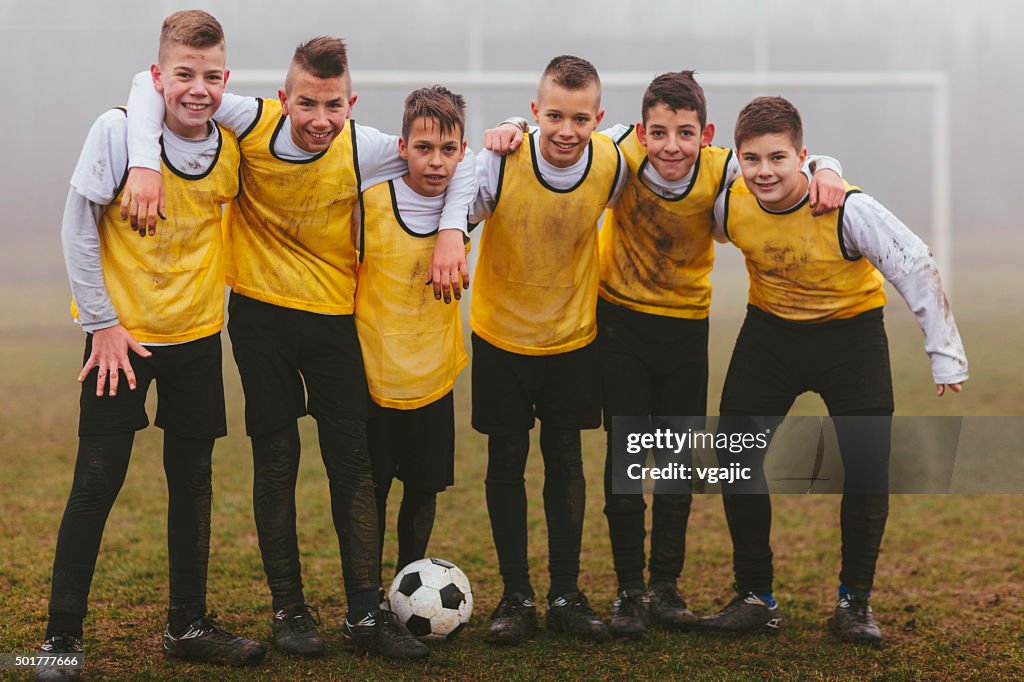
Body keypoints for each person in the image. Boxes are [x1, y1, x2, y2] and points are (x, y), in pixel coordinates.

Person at [122, 36, 477, 661]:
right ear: (284, 97)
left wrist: (451, 232)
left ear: (350, 102)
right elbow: (146, 88)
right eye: (307, 104)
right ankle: (290, 611)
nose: (319, 120)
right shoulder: (252, 121)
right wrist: (145, 163)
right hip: (259, 320)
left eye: (333, 106)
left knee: (353, 469)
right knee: (277, 462)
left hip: (335, 324)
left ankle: (364, 616)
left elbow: (463, 166)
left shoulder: (363, 147)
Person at [487, 70, 847, 638]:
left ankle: (665, 588)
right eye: (659, 132)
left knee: (677, 461)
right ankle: (630, 590)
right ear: (641, 129)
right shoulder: (620, 152)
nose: (671, 145)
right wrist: (512, 124)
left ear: (704, 134)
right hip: (621, 324)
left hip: (686, 329)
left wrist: (826, 166)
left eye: (684, 133)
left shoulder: (723, 165)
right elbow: (555, 138)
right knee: (628, 458)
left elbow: (781, 161)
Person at [37, 11, 265, 681]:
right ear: (159, 76)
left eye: (212, 75)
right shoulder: (115, 131)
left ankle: (186, 624)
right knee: (97, 480)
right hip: (121, 342)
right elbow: (77, 230)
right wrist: (102, 324)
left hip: (196, 337)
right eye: (184, 75)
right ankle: (58, 639)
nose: (198, 89)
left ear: (228, 78)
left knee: (193, 482)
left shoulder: (230, 144)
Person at [696, 95, 968, 644]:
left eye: (779, 158)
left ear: (802, 154)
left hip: (852, 338)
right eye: (752, 160)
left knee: (867, 469)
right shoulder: (729, 201)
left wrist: (944, 352)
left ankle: (854, 605)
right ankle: (755, 596)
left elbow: (913, 263)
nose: (765, 171)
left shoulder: (847, 207)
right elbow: (703, 209)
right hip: (770, 333)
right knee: (733, 456)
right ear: (739, 160)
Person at [470, 54, 627, 646]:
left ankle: (566, 593)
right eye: (555, 115)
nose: (567, 130)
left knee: (566, 461)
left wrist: (823, 163)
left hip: (572, 339)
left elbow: (686, 160)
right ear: (535, 113)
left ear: (598, 119)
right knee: (506, 462)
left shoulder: (613, 161)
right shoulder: (502, 160)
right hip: (500, 337)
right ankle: (516, 596)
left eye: (580, 118)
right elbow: (457, 210)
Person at [353, 86, 470, 587]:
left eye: (448, 150)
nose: (437, 161)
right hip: (373, 376)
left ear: (463, 153)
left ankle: (407, 584)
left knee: (423, 490)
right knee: (371, 491)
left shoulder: (472, 202)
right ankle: (368, 594)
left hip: (434, 375)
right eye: (424, 148)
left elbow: (514, 141)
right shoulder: (368, 201)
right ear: (402, 148)